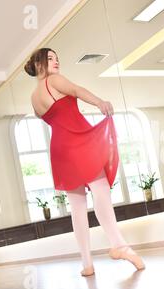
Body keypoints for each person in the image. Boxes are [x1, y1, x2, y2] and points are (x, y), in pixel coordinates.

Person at [25, 48, 145, 276]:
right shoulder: (54, 80)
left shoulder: (33, 97)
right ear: (39, 64)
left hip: (59, 148)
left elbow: (47, 117)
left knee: (77, 207)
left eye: (57, 58)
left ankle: (87, 264)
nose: (56, 62)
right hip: (76, 139)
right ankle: (119, 245)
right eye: (50, 58)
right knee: (101, 190)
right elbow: (77, 91)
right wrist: (99, 102)